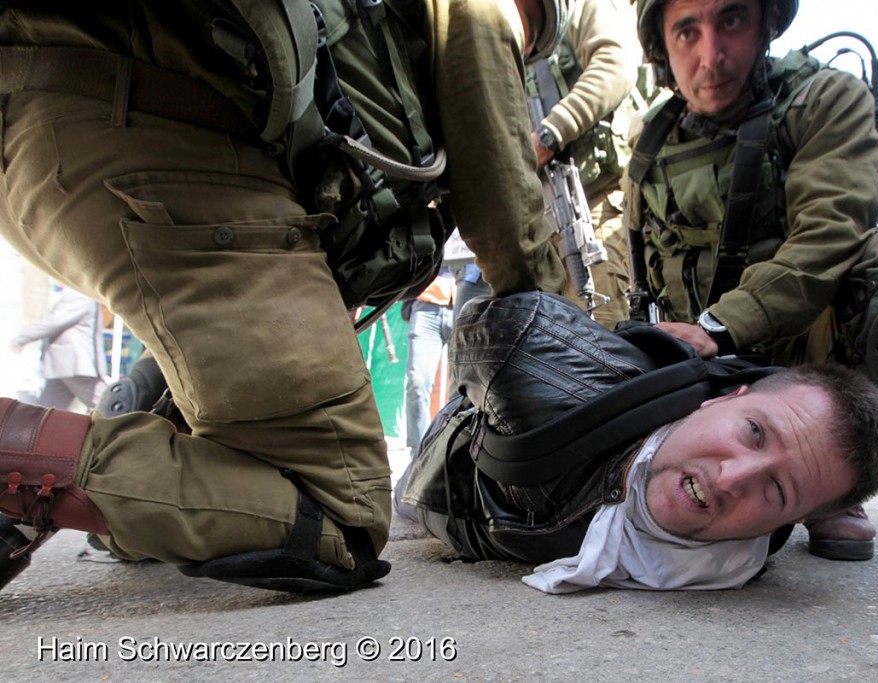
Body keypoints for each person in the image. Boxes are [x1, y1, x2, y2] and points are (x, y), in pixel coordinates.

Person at [0, 0, 572, 593]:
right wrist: (585, 350)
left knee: (222, 466)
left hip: (44, 133)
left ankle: (74, 475)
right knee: (339, 516)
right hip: (157, 139)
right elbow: (504, 207)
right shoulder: (492, 10)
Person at [622, 0, 878, 561]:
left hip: (802, 358)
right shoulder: (653, 138)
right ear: (661, 45)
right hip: (694, 370)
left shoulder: (824, 99)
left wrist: (722, 326)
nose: (711, 56)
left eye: (731, 21)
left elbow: (830, 232)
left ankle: (832, 483)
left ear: (765, 23)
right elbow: (630, 262)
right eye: (687, 32)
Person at [397, 292, 878, 592]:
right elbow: (504, 324)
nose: (730, 478)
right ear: (722, 398)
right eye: (753, 431)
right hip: (442, 474)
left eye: (779, 491)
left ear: (790, 523)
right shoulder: (546, 380)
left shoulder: (747, 557)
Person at [528, 0, 648, 329]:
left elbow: (616, 64)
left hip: (598, 208)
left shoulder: (581, 6)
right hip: (544, 221)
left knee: (606, 336)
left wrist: (549, 135)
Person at [9, 286, 108, 412]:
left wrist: (20, 340)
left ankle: (133, 423)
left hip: (74, 365)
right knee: (44, 412)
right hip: (63, 367)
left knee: (106, 405)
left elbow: (54, 322)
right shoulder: (75, 294)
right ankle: (35, 430)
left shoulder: (79, 294)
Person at [403, 271, 455, 451]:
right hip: (426, 303)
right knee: (417, 382)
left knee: (465, 388)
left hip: (468, 298)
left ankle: (457, 452)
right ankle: (418, 453)